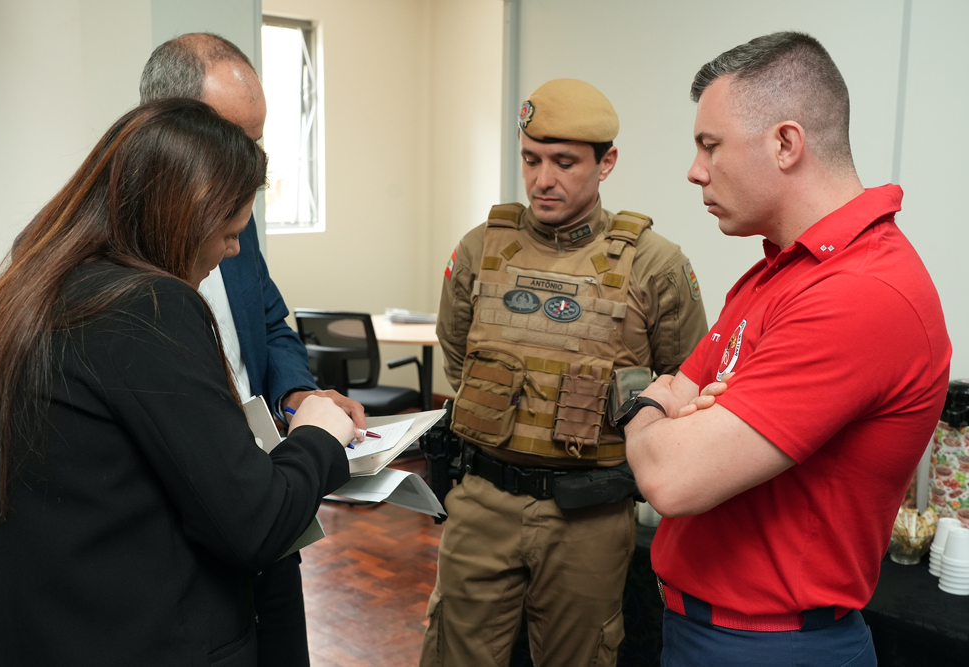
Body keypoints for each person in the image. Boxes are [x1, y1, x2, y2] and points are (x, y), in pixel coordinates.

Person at [0, 99, 356, 666]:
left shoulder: (33, 288)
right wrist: (318, 435)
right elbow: (256, 523)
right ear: (182, 215)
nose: (233, 251)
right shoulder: (147, 305)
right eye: (228, 232)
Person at [622, 32, 951, 666]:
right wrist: (672, 415)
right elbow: (679, 409)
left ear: (785, 144)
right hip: (701, 629)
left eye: (710, 145)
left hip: (774, 646)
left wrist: (648, 409)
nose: (695, 170)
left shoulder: (862, 293)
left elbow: (671, 477)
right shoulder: (776, 273)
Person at [422, 78, 709, 667]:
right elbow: (457, 356)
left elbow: (685, 384)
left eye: (564, 162)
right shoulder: (479, 249)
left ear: (607, 163)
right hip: (482, 501)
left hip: (589, 516)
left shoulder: (656, 266)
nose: (542, 180)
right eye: (531, 159)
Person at [139, 33, 365, 667]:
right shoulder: (130, 272)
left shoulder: (238, 219)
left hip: (269, 493)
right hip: (197, 524)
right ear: (172, 127)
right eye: (235, 141)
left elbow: (268, 319)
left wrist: (296, 395)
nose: (253, 164)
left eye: (258, 142)